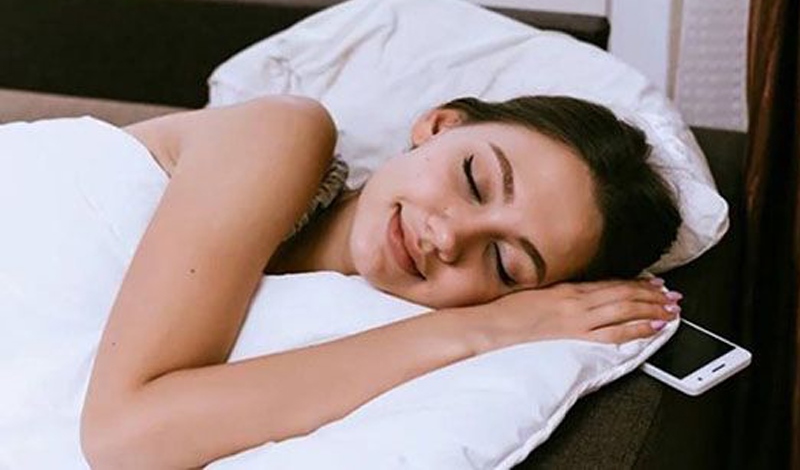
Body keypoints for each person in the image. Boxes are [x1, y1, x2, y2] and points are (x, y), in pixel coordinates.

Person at [78, 94, 682, 469]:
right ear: (438, 124)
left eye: (503, 263)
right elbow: (123, 437)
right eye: (474, 179)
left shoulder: (360, 327)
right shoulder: (284, 133)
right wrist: (485, 327)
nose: (447, 236)